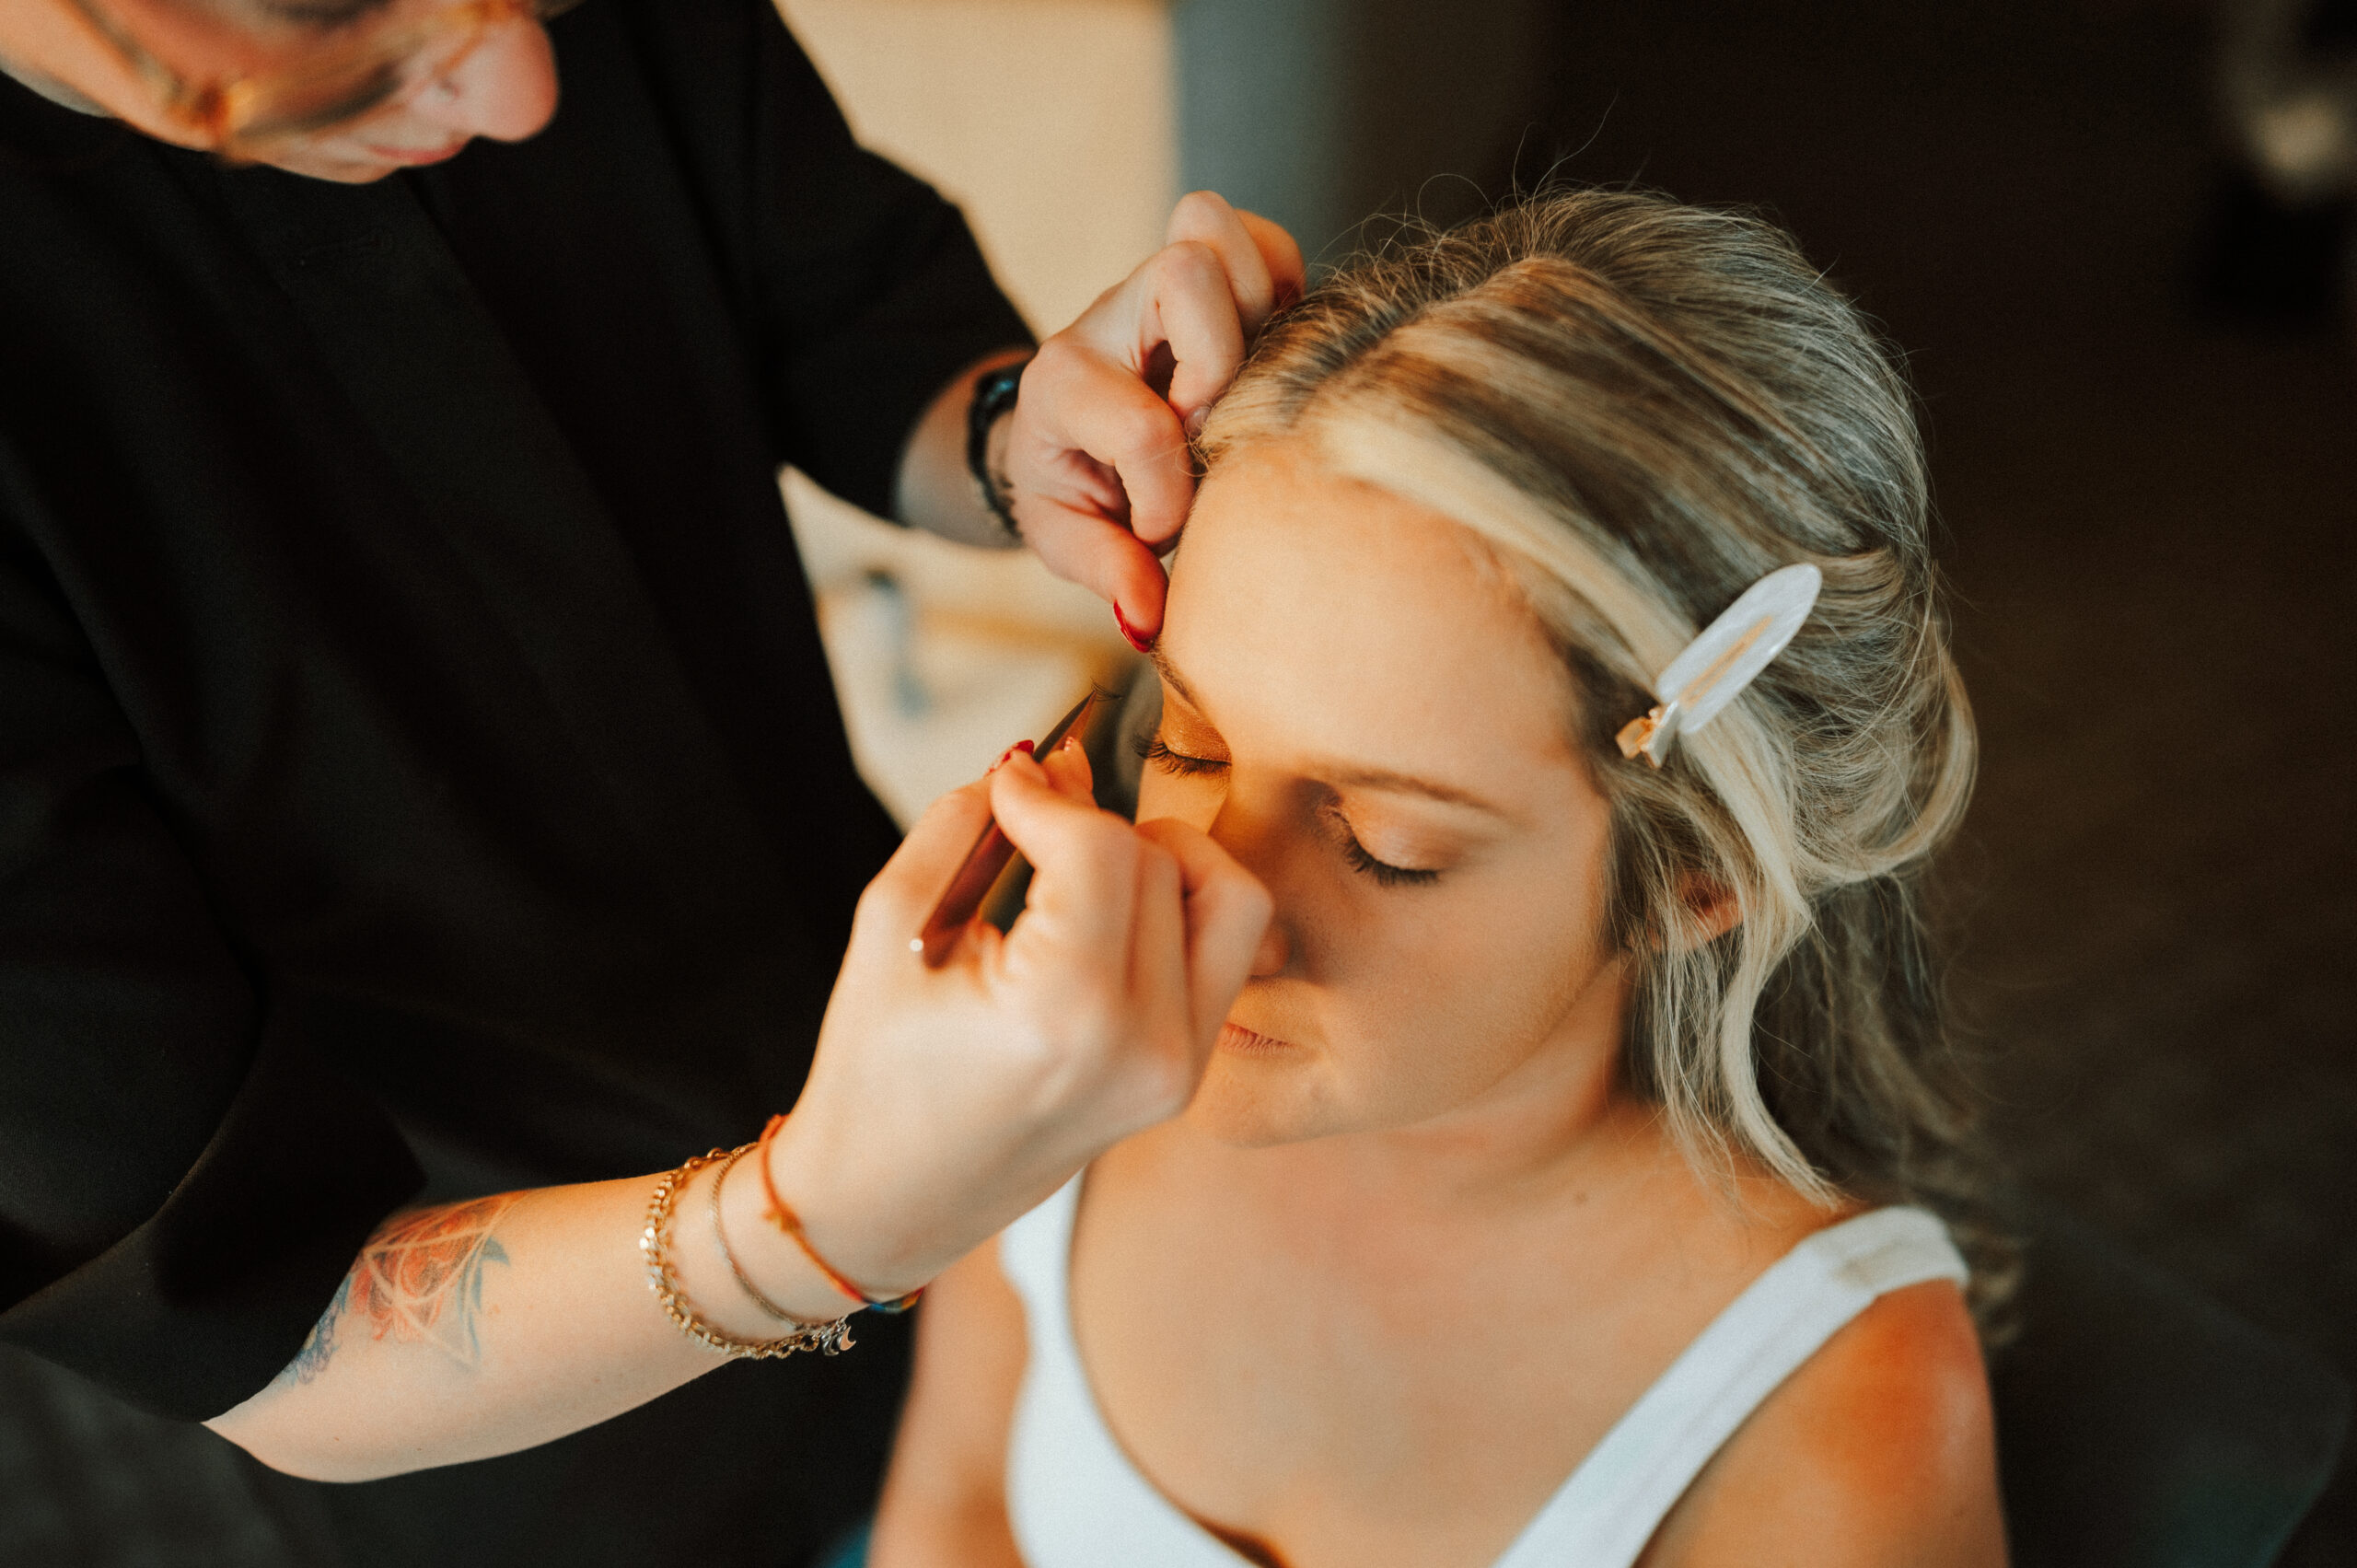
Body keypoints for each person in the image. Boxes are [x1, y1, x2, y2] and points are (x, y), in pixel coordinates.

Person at [0, 0, 1294, 1562]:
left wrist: (1024, 434)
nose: (529, 88)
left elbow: (838, 311)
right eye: (355, 27)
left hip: (952, 1155)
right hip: (549, 1443)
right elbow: (260, 1308)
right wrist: (828, 1225)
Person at [870, 189, 2013, 1568]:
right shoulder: (1069, 1066)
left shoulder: (1836, 1411)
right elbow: (955, 1515)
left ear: (1694, 876)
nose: (1210, 900)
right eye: (1187, 743)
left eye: (1383, 843)